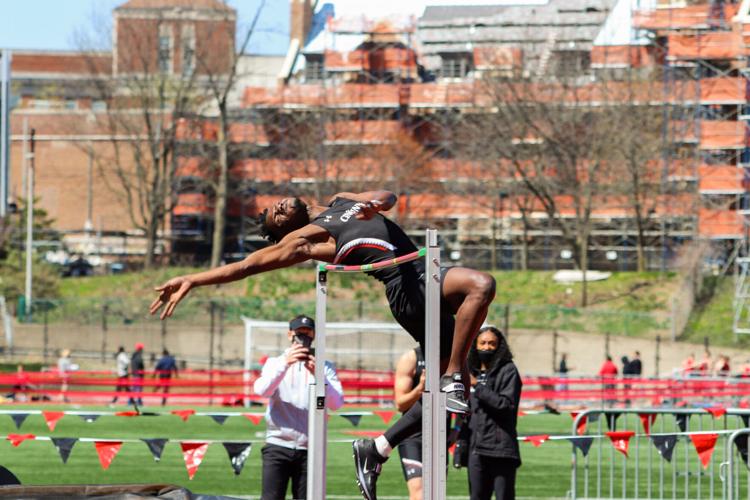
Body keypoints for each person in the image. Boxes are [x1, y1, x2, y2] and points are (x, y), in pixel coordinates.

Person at [149, 190, 497, 500]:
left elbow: (389, 195)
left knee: (450, 394)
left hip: (427, 272)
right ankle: (452, 374)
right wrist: (193, 279)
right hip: (409, 291)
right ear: (286, 230)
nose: (281, 207)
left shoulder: (339, 200)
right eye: (278, 216)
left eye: (277, 205)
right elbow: (247, 265)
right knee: (481, 285)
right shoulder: (306, 242)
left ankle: (376, 447)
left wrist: (375, 202)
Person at [253, 315, 344, 500]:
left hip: (310, 449)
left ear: (314, 335)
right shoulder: (274, 363)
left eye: (307, 333)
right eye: (298, 333)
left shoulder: (325, 367)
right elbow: (262, 391)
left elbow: (336, 403)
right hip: (277, 445)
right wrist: (285, 364)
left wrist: (319, 376)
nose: (303, 338)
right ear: (289, 335)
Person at [466, 326, 521, 500]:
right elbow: (466, 413)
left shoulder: (509, 370)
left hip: (501, 449)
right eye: (482, 343)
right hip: (475, 450)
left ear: (499, 346)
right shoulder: (470, 371)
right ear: (475, 345)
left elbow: (506, 406)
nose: (486, 347)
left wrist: (477, 386)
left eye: (491, 343)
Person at [393, 347, 426, 500]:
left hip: (439, 435)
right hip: (412, 437)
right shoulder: (411, 358)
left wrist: (457, 427)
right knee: (419, 493)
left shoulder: (450, 357)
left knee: (435, 492)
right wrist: (420, 389)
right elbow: (400, 403)